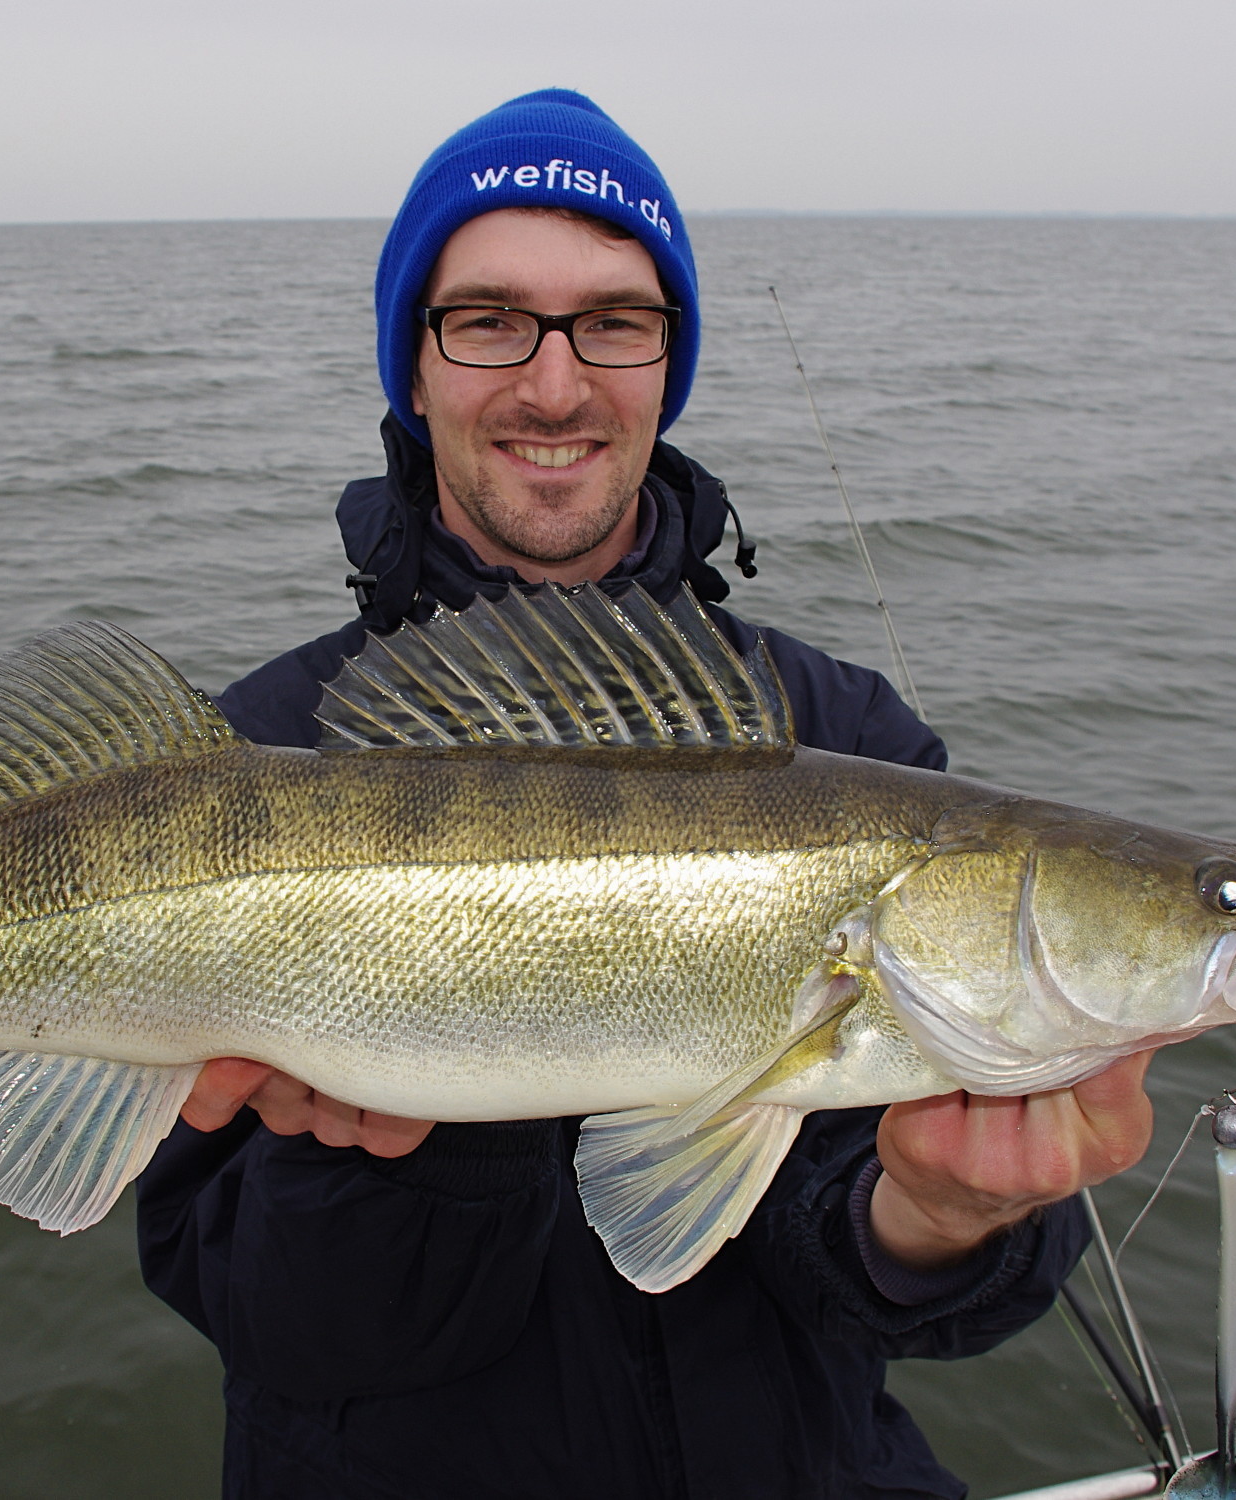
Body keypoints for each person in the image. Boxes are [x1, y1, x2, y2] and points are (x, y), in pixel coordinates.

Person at [137, 89, 1155, 1499]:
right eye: (488, 318)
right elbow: (271, 1321)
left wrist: (937, 1218)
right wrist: (404, 1159)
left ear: (668, 363)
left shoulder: (846, 732)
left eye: (615, 321)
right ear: (411, 368)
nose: (554, 386)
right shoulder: (260, 754)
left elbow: (873, 1275)